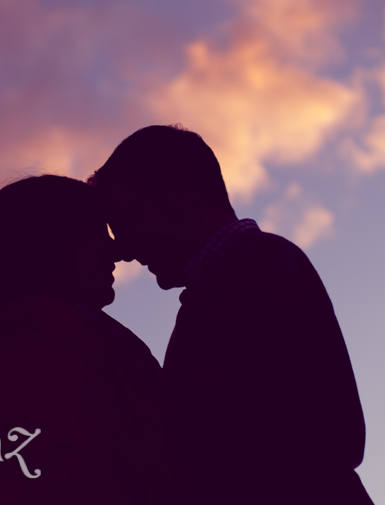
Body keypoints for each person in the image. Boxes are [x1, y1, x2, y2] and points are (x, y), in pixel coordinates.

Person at [88, 124, 374, 505]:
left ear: (178, 189)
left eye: (125, 222)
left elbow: (330, 434)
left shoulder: (260, 268)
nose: (122, 250)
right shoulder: (237, 278)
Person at [0, 174, 167, 504]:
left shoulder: (24, 336)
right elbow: (70, 482)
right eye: (96, 231)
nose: (115, 249)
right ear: (54, 244)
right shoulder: (31, 337)